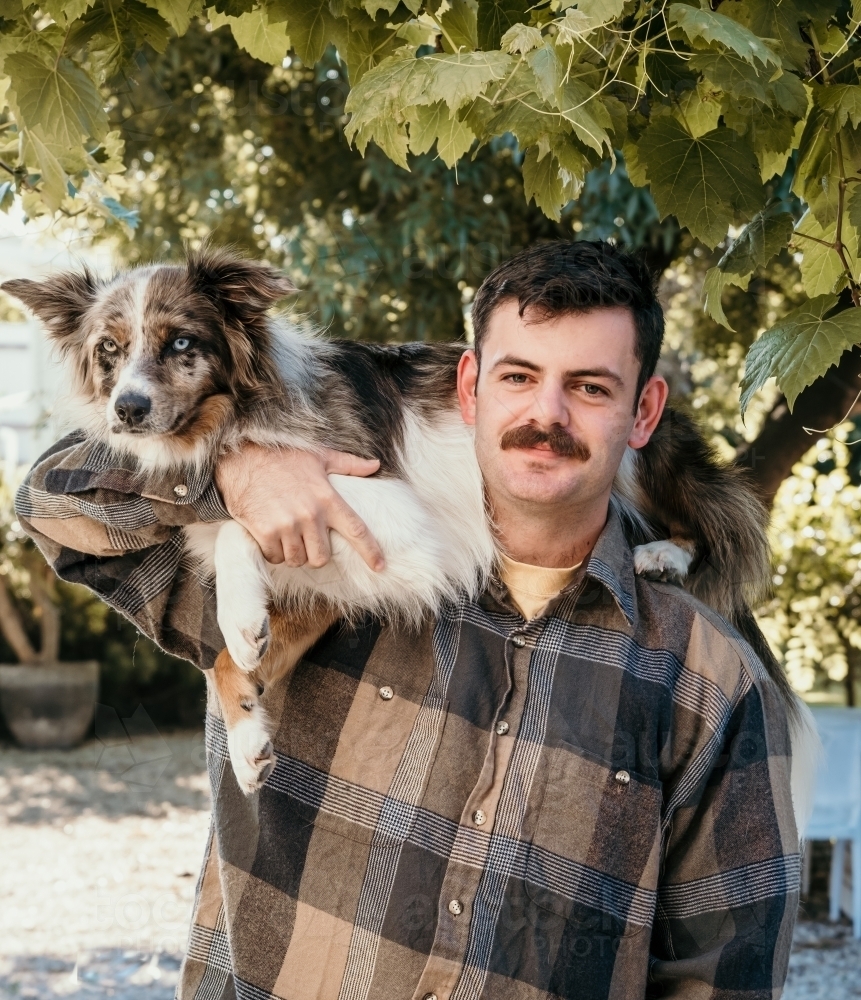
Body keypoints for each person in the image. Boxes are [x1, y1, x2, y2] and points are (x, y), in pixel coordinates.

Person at [17, 241, 799, 999]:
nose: (547, 412)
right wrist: (236, 478)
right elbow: (48, 503)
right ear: (466, 387)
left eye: (590, 387)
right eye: (518, 376)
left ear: (642, 411)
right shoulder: (272, 570)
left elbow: (720, 969)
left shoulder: (705, 677)